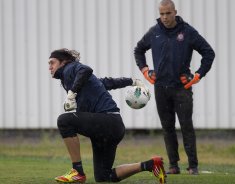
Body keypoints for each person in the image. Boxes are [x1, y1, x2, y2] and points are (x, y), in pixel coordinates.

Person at [48, 48, 166, 183]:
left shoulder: (70, 68)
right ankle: (150, 164)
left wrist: (72, 93)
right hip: (110, 127)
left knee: (64, 120)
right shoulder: (72, 77)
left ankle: (77, 171)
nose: (50, 67)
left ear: (63, 62)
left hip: (108, 122)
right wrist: (132, 81)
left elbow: (86, 70)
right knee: (104, 176)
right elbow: (105, 83)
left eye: (52, 62)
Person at [134, 0, 215, 175]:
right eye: (161, 13)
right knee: (167, 127)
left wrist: (198, 75)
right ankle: (173, 165)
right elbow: (139, 50)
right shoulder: (154, 32)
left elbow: (209, 53)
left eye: (168, 13)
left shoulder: (188, 32)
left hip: (181, 89)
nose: (164, 17)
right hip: (161, 88)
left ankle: (193, 166)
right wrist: (145, 70)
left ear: (175, 12)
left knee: (186, 126)